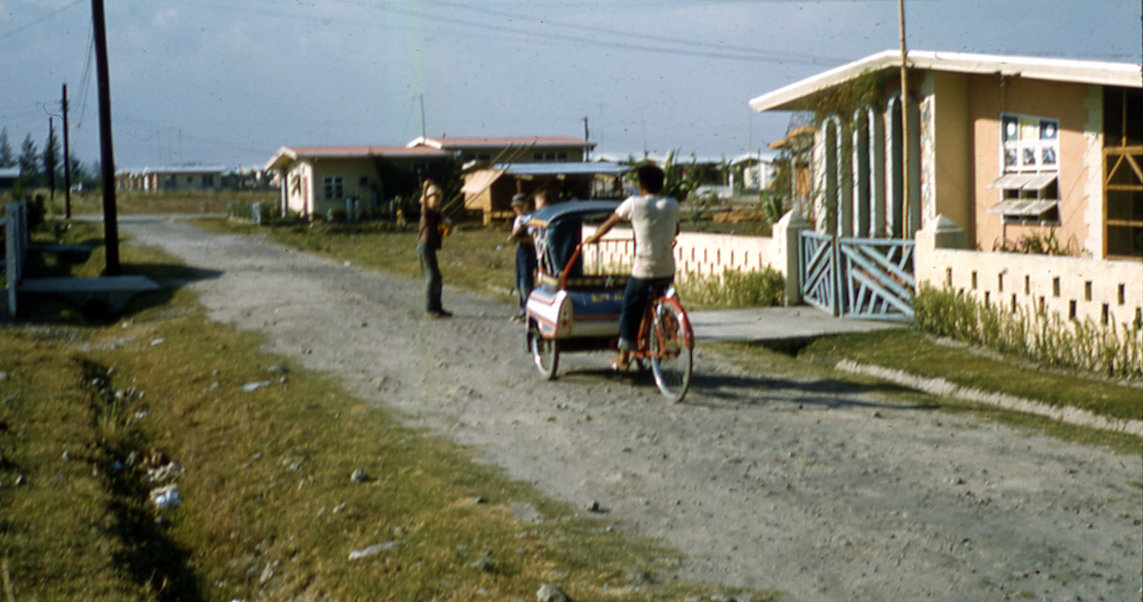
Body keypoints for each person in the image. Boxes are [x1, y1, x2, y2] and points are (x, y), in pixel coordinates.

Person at [583, 164, 678, 370]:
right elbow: (675, 229)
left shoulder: (634, 203)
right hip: (667, 268)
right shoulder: (672, 204)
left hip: (644, 269)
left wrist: (594, 238)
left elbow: (611, 221)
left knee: (630, 308)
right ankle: (669, 336)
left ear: (641, 185)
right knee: (665, 299)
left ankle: (624, 357)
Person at [417, 179, 452, 318]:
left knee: (437, 277)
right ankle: (430, 309)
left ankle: (438, 308)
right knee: (431, 277)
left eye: (438, 197)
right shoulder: (425, 212)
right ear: (427, 199)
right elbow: (424, 202)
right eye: (434, 197)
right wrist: (426, 187)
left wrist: (447, 228)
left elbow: (444, 232)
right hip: (424, 247)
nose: (437, 199)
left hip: (431, 247)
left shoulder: (437, 215)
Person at [507, 193, 536, 321]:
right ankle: (522, 309)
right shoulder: (518, 219)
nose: (517, 209)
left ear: (526, 205)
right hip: (520, 249)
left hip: (529, 250)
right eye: (515, 207)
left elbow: (533, 239)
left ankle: (528, 311)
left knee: (526, 281)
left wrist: (519, 237)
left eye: (520, 206)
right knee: (519, 281)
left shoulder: (531, 218)